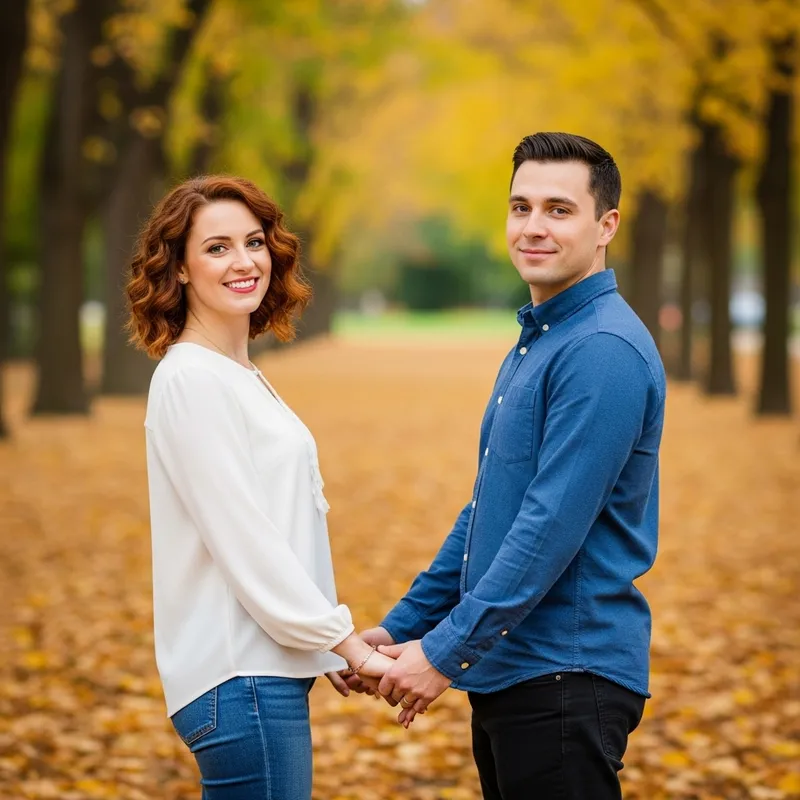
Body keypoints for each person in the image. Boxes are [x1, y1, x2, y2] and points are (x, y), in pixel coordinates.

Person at [356, 132, 667, 799]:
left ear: (606, 224)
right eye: (520, 207)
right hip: (513, 668)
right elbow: (490, 511)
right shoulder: (545, 338)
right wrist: (407, 625)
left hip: (565, 675)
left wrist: (443, 653)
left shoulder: (601, 349)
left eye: (559, 209)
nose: (533, 227)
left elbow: (550, 524)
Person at [127, 175, 394, 800]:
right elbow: (244, 540)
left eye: (254, 241)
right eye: (216, 247)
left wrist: (323, 648)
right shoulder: (191, 379)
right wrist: (344, 643)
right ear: (181, 268)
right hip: (239, 679)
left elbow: (281, 525)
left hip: (261, 675)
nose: (244, 261)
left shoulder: (235, 374)